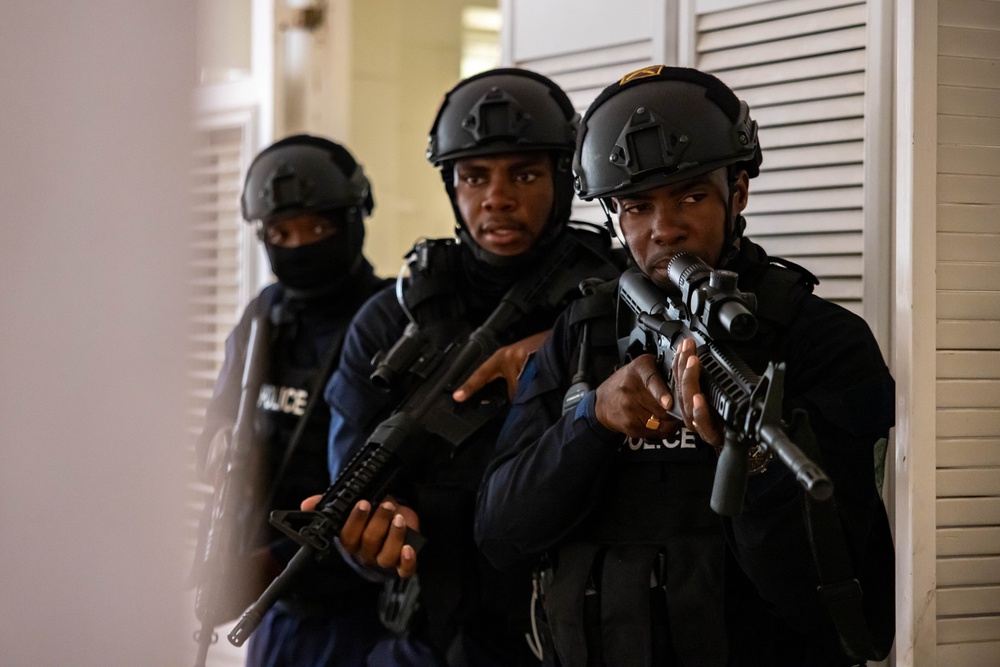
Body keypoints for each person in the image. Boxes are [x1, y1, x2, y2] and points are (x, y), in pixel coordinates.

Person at [475, 65, 895, 667]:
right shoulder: (586, 330)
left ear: (739, 191)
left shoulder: (822, 341)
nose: (664, 229)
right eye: (637, 206)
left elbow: (829, 602)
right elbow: (500, 534)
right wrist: (594, 420)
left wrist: (747, 454)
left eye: (692, 195)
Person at [322, 68, 624, 666]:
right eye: (473, 176)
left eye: (526, 174)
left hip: (584, 633)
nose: (497, 198)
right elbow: (355, 486)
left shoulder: (624, 298)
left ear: (566, 178)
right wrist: (373, 537)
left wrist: (573, 344)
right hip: (437, 634)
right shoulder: (393, 318)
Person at [194, 134, 392, 666]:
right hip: (277, 611)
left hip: (362, 612)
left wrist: (268, 566)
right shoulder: (265, 316)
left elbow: (391, 482)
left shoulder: (389, 319)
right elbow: (218, 417)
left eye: (319, 228)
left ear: (353, 220)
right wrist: (217, 446)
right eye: (281, 232)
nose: (300, 246)